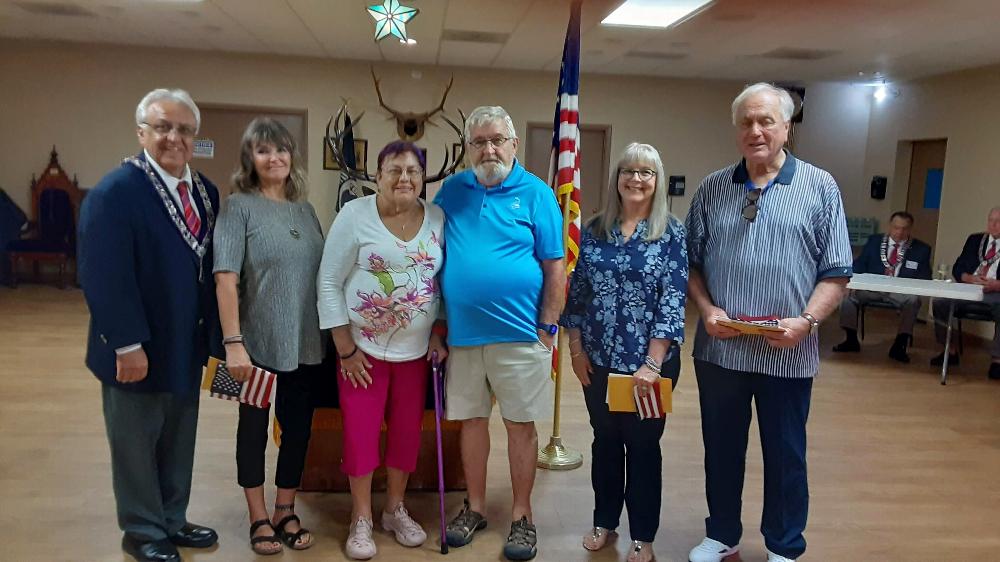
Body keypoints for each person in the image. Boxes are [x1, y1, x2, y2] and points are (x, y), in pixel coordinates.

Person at [685, 83, 853, 562]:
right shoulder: (713, 188)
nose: (755, 131)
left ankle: (783, 544)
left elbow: (837, 273)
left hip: (789, 349)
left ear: (787, 128)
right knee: (721, 449)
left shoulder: (820, 187)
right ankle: (722, 534)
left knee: (786, 454)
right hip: (721, 349)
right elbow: (691, 265)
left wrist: (806, 321)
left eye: (766, 121)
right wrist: (707, 308)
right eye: (746, 122)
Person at [78, 88, 220, 562]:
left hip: (185, 343)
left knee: (179, 439)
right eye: (162, 127)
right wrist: (125, 344)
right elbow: (103, 275)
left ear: (195, 137)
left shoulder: (205, 191)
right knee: (136, 443)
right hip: (135, 348)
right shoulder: (116, 192)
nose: (173, 137)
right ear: (142, 132)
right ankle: (141, 531)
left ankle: (172, 520)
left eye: (183, 129)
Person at [433, 105, 564, 561]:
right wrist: (439, 324)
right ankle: (475, 507)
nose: (489, 149)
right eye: (479, 141)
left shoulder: (537, 194)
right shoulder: (453, 191)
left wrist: (548, 330)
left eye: (497, 140)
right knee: (471, 423)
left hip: (521, 335)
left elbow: (554, 266)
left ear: (513, 144)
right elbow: (434, 258)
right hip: (464, 337)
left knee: (520, 426)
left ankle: (523, 515)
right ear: (469, 148)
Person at [317, 141, 447, 560]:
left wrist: (438, 332)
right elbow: (328, 282)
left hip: (416, 355)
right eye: (394, 170)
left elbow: (442, 283)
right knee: (360, 435)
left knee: (407, 436)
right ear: (377, 176)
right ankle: (361, 518)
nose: (404, 178)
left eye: (412, 171)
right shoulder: (354, 216)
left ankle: (394, 509)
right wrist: (344, 348)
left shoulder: (438, 219)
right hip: (363, 354)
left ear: (423, 178)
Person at [561, 143, 687, 562]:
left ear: (658, 181)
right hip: (598, 362)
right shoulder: (594, 231)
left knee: (644, 447)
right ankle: (604, 521)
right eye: (628, 171)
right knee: (605, 442)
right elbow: (575, 298)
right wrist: (576, 352)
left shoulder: (672, 233)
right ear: (616, 178)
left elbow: (672, 300)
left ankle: (644, 535)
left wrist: (652, 364)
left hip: (651, 368)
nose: (636, 179)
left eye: (646, 172)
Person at [213, 118, 325, 555]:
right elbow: (225, 279)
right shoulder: (238, 206)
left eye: (281, 149)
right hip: (255, 345)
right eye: (263, 150)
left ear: (291, 156)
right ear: (250, 159)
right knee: (253, 430)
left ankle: (285, 507)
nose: (274, 157)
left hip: (306, 340)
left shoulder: (306, 210)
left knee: (297, 430)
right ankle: (258, 515)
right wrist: (233, 342)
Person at [833, 211, 932, 362]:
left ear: (910, 229)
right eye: (896, 227)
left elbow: (925, 277)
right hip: (872, 289)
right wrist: (850, 282)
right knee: (848, 297)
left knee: (913, 300)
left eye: (904, 228)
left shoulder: (921, 249)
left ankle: (900, 343)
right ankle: (851, 339)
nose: (899, 232)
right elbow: (859, 265)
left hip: (900, 292)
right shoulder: (874, 241)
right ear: (890, 226)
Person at [930, 206, 1000, 379]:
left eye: (999, 222)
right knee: (940, 303)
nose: (994, 225)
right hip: (969, 287)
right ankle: (949, 350)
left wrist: (997, 285)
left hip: (995, 293)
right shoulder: (975, 240)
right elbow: (958, 267)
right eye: (991, 220)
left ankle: (997, 360)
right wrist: (967, 277)